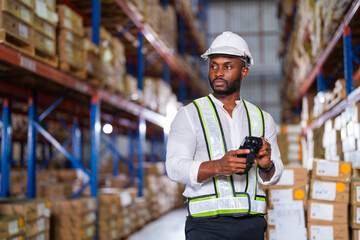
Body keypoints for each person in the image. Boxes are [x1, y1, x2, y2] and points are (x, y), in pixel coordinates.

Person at [166, 31, 284, 240]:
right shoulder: (189, 115)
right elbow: (174, 167)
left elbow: (273, 176)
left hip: (252, 224)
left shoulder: (262, 118)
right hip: (206, 226)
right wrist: (217, 166)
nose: (218, 72)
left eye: (227, 66)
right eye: (213, 66)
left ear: (244, 71)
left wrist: (266, 165)